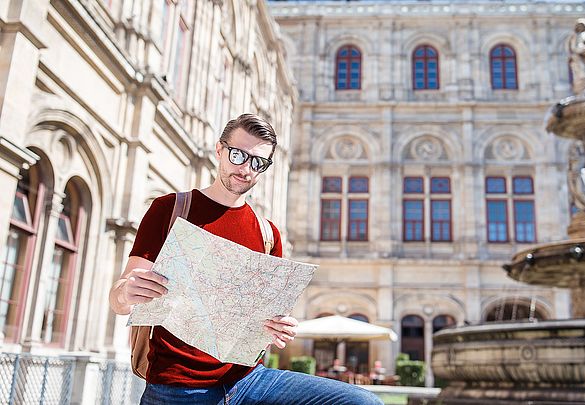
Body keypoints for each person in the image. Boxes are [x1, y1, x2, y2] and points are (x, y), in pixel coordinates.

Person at [108, 114, 382, 405]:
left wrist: (279, 326)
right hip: (178, 388)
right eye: (238, 155)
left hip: (249, 382)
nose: (245, 169)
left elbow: (265, 322)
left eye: (258, 162)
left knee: (362, 401)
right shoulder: (171, 209)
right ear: (219, 149)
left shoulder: (269, 234)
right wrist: (126, 292)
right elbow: (119, 299)